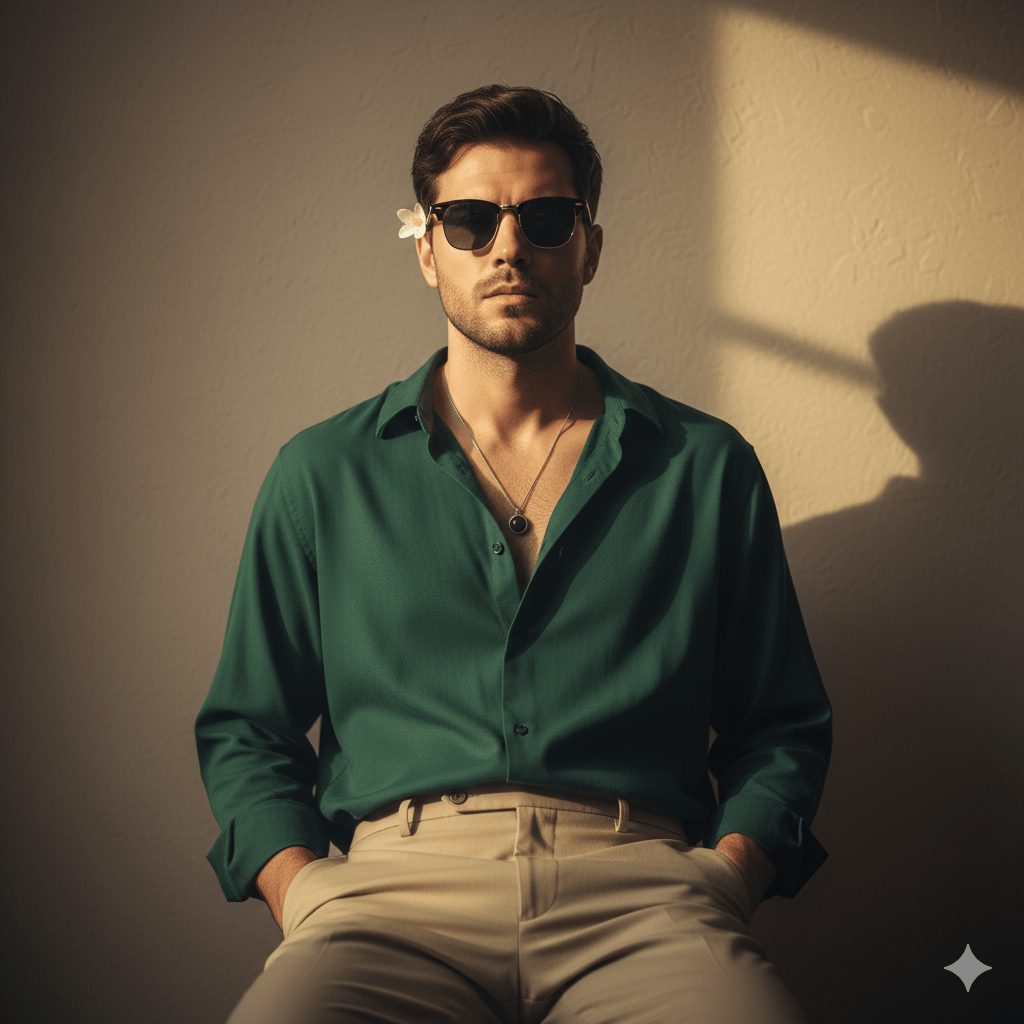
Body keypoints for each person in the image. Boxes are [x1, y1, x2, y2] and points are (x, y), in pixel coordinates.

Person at [195, 83, 832, 1024]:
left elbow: (781, 725)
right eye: (468, 219)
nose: (508, 246)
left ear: (590, 246)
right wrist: (302, 890)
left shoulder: (704, 467)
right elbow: (248, 728)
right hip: (389, 898)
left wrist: (727, 877)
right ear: (427, 251)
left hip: (641, 890)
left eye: (543, 216)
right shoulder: (322, 473)